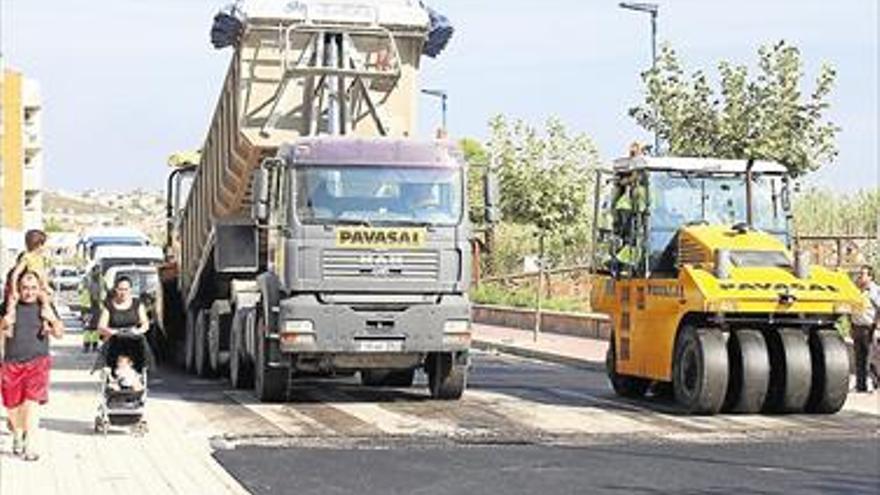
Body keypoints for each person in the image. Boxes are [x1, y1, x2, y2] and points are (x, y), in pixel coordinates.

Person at [0, 271, 64, 461]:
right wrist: (4, 321)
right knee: (13, 406)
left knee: (31, 403)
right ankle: (18, 434)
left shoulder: (45, 306)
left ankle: (31, 445)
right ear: (18, 289)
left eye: (33, 288)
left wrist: (51, 319)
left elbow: (59, 333)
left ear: (39, 288)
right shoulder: (7, 307)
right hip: (11, 363)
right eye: (25, 288)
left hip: (38, 362)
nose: (29, 292)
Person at [852, 265, 880, 393]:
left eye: (862, 274)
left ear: (870, 276)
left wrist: (877, 326)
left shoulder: (874, 291)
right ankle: (860, 385)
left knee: (873, 358)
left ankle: (876, 384)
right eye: (859, 274)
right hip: (857, 327)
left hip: (870, 328)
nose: (860, 276)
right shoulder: (856, 290)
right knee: (859, 359)